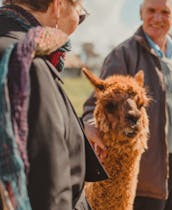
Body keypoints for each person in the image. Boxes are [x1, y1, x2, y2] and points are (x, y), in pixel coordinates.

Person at [82, 0, 172, 209]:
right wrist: (90, 124)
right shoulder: (124, 54)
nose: (157, 18)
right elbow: (98, 101)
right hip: (149, 167)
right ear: (141, 13)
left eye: (165, 12)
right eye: (151, 11)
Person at [0, 0, 107, 209]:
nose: (78, 22)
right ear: (57, 7)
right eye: (79, 13)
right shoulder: (28, 66)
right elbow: (50, 192)